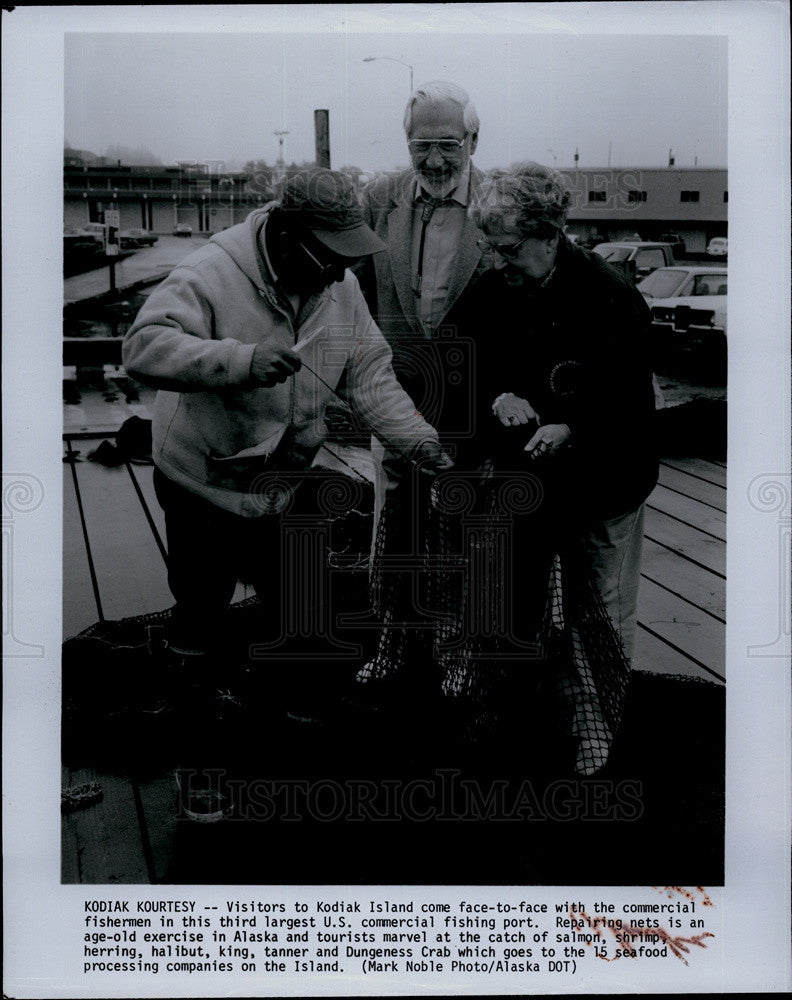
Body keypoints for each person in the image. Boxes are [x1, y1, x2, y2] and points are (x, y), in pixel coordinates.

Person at [122, 168, 451, 816]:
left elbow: (373, 380)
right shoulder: (213, 271)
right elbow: (143, 345)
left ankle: (274, 721)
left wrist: (424, 445)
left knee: (295, 603)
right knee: (202, 616)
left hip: (281, 473)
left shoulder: (339, 288)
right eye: (330, 257)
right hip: (202, 478)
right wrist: (238, 360)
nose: (339, 273)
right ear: (289, 234)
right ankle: (202, 762)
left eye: (346, 259)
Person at [452, 161, 659, 773]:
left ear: (551, 235)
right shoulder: (496, 287)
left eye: (510, 248)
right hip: (532, 483)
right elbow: (450, 353)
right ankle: (514, 708)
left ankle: (597, 728)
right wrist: (496, 395)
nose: (498, 261)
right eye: (491, 248)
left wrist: (573, 424)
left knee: (599, 604)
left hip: (606, 480)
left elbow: (629, 400)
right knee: (514, 595)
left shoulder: (611, 296)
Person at [349, 82, 491, 696]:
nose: (434, 160)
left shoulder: (500, 201)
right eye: (421, 145)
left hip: (472, 399)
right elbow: (347, 286)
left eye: (447, 145)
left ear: (474, 142)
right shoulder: (378, 198)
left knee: (464, 532)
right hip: (398, 398)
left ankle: (460, 650)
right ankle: (394, 641)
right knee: (395, 530)